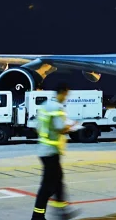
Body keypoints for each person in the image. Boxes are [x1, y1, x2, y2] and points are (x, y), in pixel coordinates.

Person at [33, 82, 78, 220]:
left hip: (44, 150)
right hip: (51, 151)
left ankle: (62, 212)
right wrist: (72, 126)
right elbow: (61, 128)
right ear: (62, 92)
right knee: (48, 186)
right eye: (66, 95)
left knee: (58, 182)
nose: (66, 98)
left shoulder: (45, 106)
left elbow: (37, 127)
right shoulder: (57, 108)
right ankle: (37, 216)